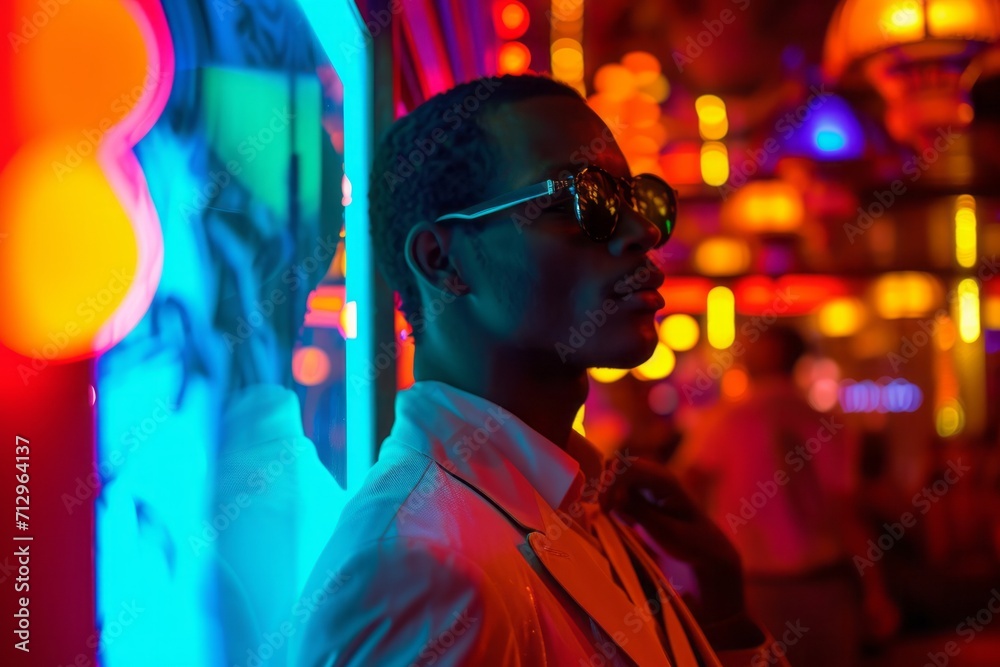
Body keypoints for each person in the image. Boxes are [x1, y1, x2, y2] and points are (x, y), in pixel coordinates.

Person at [290, 74, 785, 667]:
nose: (644, 232)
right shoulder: (412, 568)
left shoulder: (575, 501)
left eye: (638, 199)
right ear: (442, 260)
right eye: (582, 199)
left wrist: (722, 625)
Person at [673, 326, 900, 667]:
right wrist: (875, 593)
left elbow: (683, 494)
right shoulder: (828, 424)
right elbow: (848, 515)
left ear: (763, 357)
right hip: (825, 589)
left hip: (752, 592)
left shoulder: (722, 421)